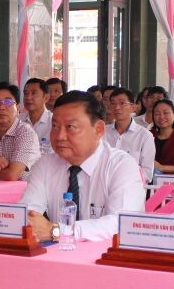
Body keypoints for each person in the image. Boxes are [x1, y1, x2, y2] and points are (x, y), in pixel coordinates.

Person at [20, 91, 145, 242]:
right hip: (59, 253)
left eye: (70, 127)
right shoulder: (46, 164)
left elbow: (121, 223)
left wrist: (58, 231)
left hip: (107, 254)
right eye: (55, 126)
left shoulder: (121, 165)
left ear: (98, 129)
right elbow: (28, 213)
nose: (59, 136)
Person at [104, 87, 155, 182]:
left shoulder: (145, 136)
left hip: (131, 187)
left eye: (122, 103)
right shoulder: (103, 132)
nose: (117, 107)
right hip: (104, 187)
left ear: (133, 107)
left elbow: (147, 173)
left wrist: (123, 179)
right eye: (113, 103)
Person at [19, 78, 52, 143]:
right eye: (26, 93)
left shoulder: (53, 121)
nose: (28, 97)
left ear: (46, 98)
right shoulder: (18, 120)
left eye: (33, 93)